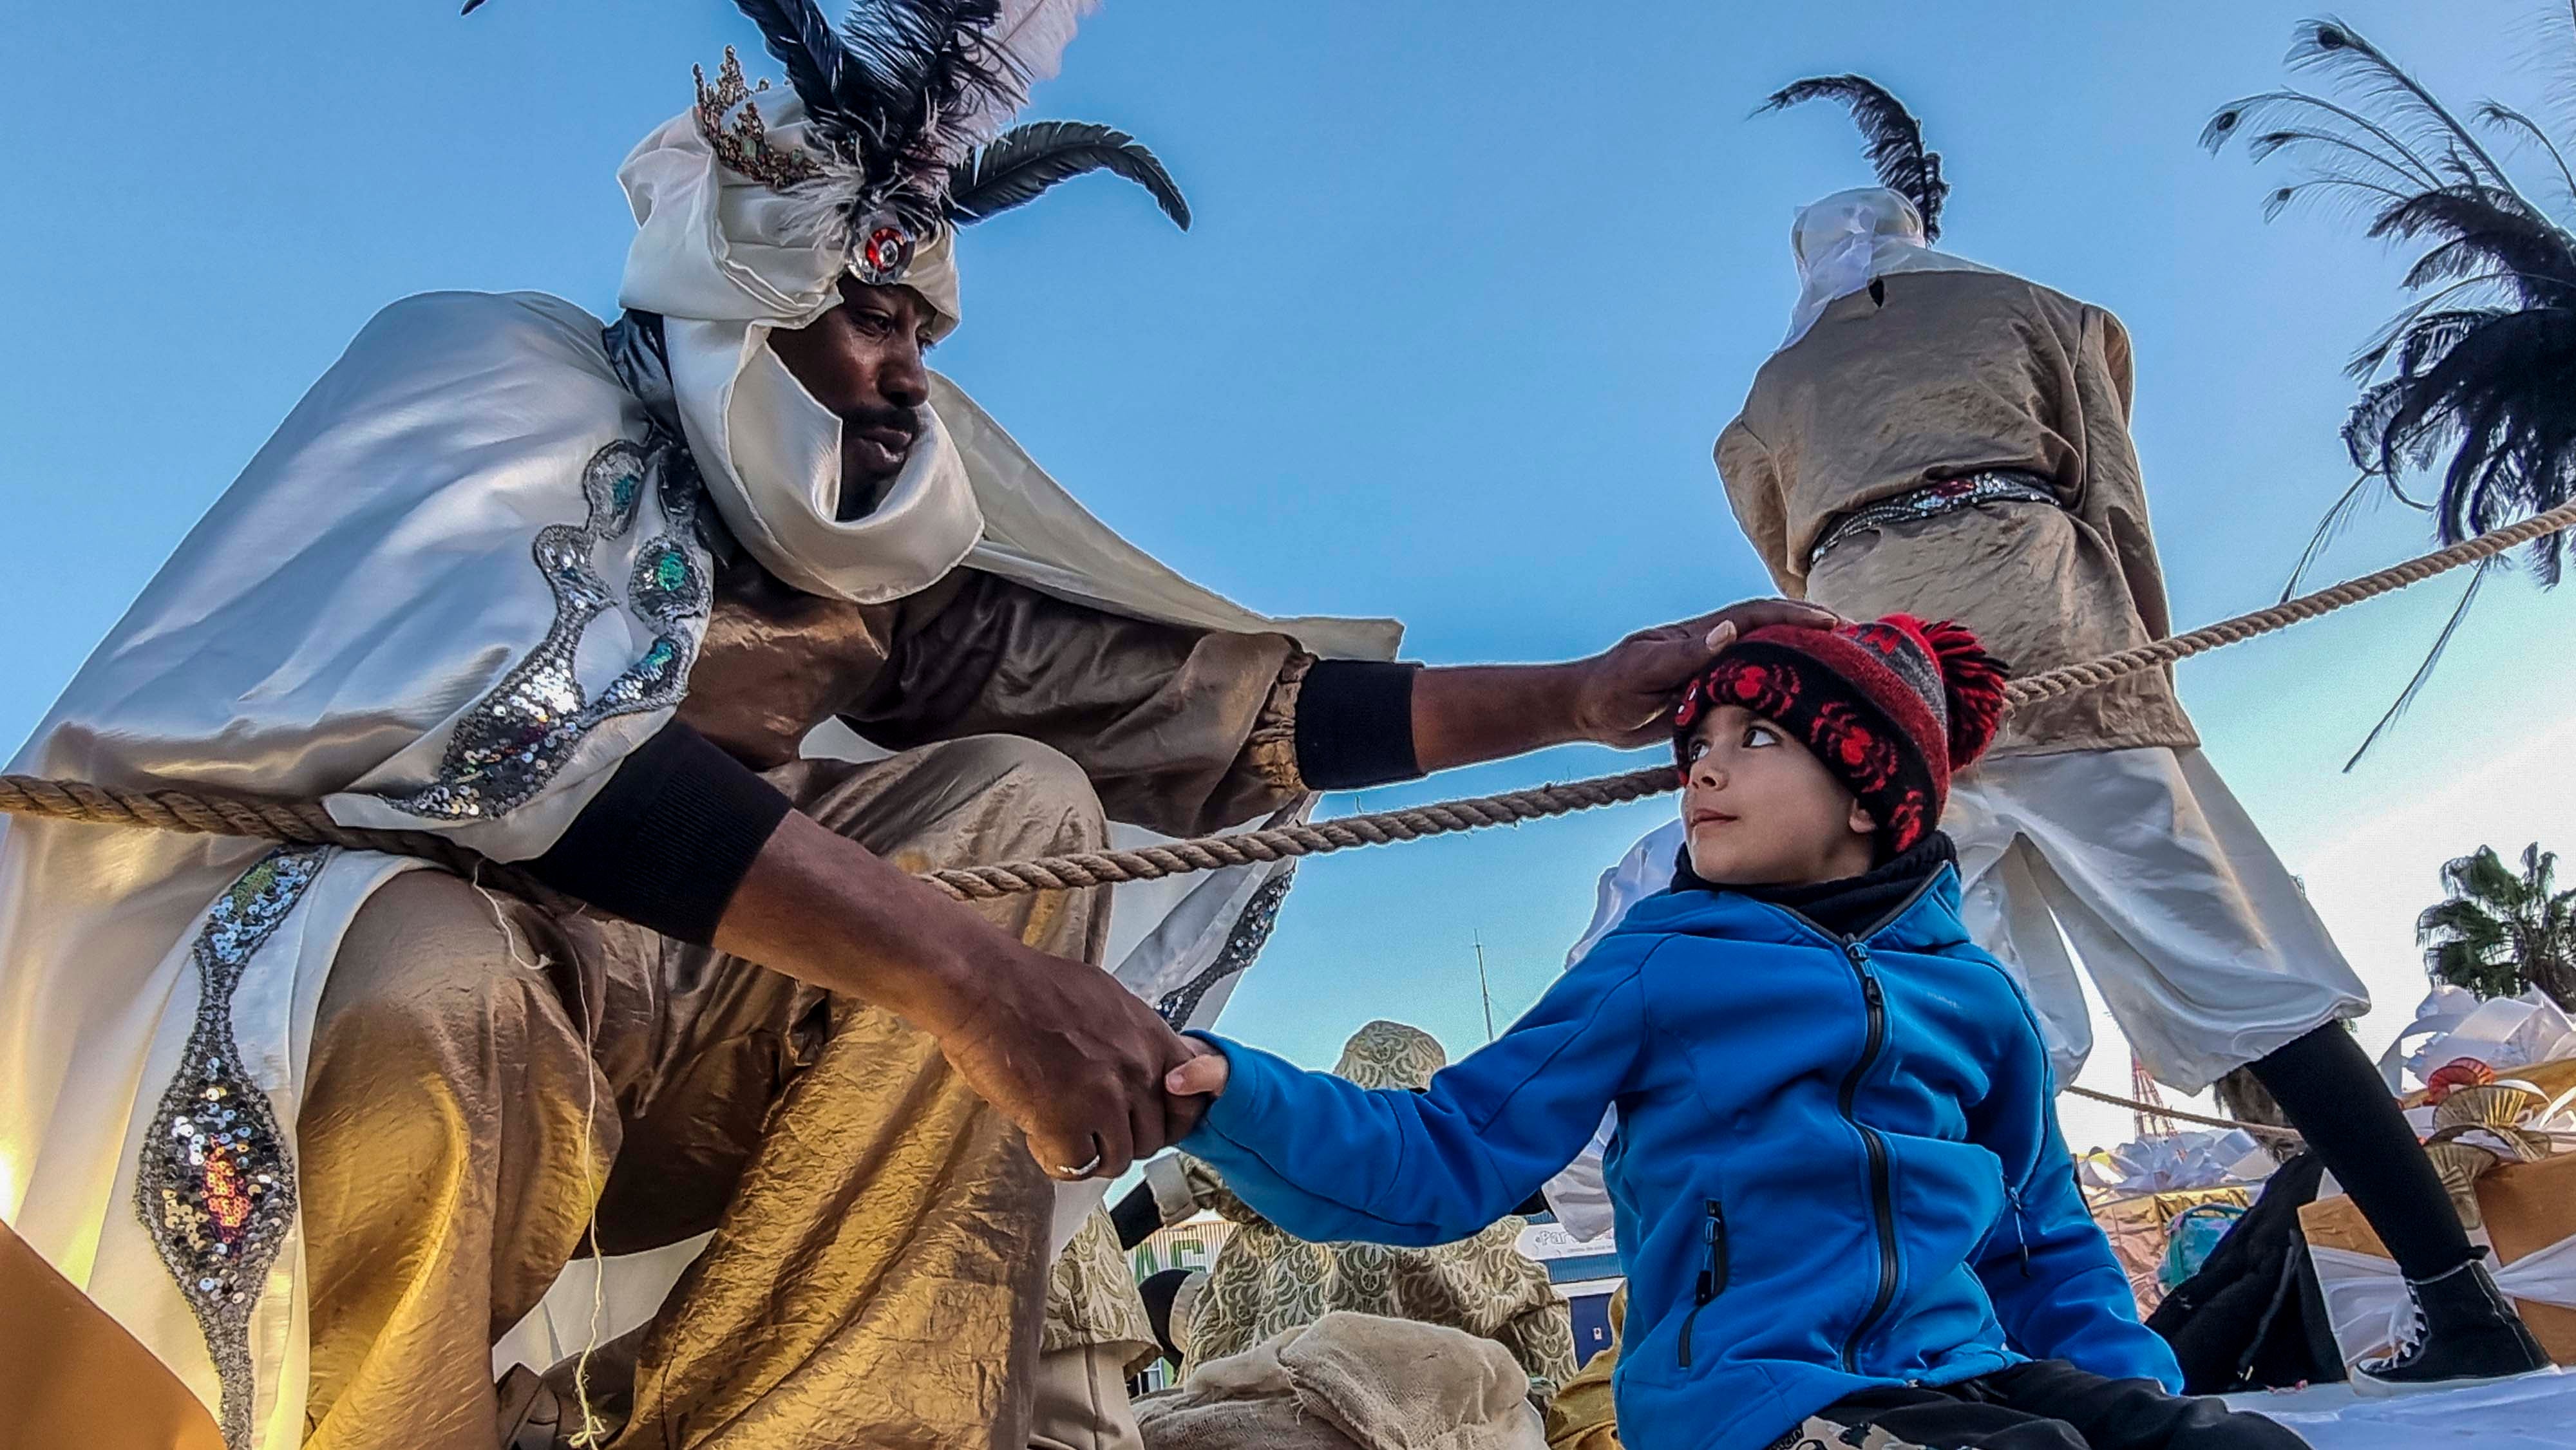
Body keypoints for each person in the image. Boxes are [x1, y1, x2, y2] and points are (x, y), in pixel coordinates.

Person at [0, 6, 1833, 1446]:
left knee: (1019, 803)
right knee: (427, 980)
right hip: (349, 1003)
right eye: (865, 318)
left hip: (656, 1061)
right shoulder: (488, 379)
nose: (907, 372)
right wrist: (969, 982)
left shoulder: (875, 567)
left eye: (922, 323)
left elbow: (1216, 710)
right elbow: (516, 763)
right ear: (746, 300)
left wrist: (1580, 698)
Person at [1567, 75, 2550, 1389]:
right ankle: (2454, 1296)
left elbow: (1787, 561)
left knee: (1928, 1009)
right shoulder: (2036, 310)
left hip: (1891, 692)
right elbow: (2110, 490)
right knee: (2244, 974)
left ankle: (1984, 1351)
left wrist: (1839, 700)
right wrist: (2139, 665)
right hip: (2059, 639)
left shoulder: (1766, 398)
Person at [1164, 616, 2305, 1450]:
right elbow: (1449, 1146)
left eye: (1756, 734)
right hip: (1747, 1400)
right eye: (1699, 739)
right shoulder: (1658, 962)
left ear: (1868, 791)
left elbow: (2042, 1241)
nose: (1703, 762)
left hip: (1973, 1372)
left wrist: (2143, 1404)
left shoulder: (1977, 999)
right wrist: (1232, 1092)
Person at [1115, 1021, 1576, 1403]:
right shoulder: (1469, 1197)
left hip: (1268, 1359)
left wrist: (1096, 1246)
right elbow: (1547, 1354)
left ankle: (1191, 1382)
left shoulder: (1308, 1152)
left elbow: (1174, 1186)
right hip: (1428, 1390)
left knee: (1160, 1294)